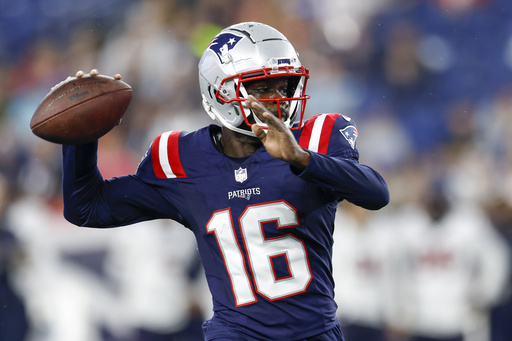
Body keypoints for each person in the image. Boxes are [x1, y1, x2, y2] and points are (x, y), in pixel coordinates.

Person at [61, 22, 389, 341]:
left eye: (285, 85)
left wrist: (301, 158)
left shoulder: (317, 139)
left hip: (315, 331)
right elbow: (87, 208)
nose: (279, 98)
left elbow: (376, 193)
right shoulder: (182, 157)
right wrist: (82, 137)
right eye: (262, 87)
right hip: (235, 332)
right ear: (221, 91)